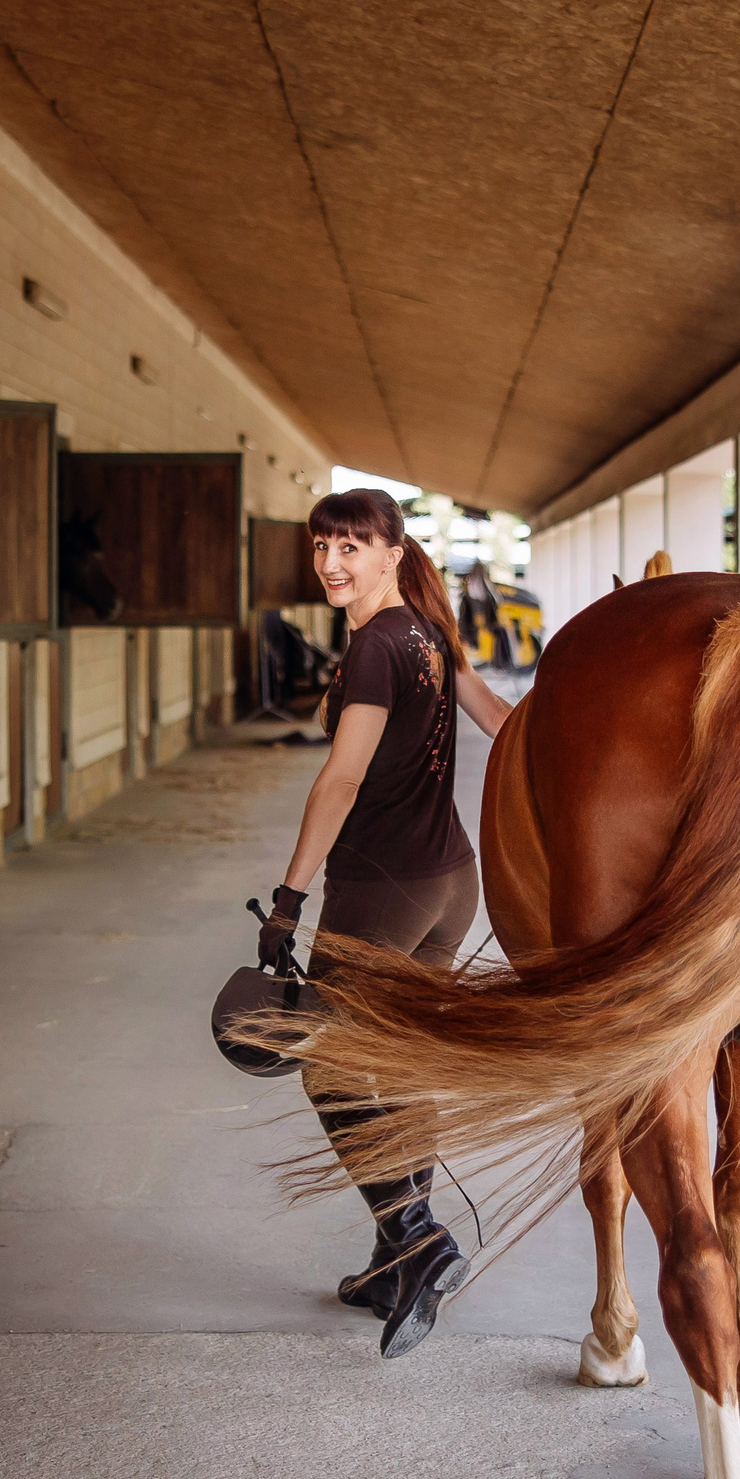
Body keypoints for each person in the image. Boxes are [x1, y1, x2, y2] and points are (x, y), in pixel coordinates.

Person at [257, 488, 516, 1359]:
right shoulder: (430, 631)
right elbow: (502, 723)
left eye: (350, 547)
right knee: (402, 1065)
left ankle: (418, 1236)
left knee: (327, 1069)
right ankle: (389, 1258)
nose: (331, 562)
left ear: (391, 553)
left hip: (384, 890)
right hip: (450, 883)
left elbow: (340, 779)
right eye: (322, 546)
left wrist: (290, 897)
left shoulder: (376, 646)